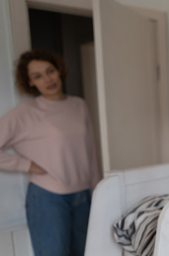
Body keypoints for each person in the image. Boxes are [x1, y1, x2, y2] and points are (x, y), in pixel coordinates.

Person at [0, 49, 102, 256]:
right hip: (48, 198)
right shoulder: (26, 113)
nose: (47, 79)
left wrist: (98, 192)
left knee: (88, 252)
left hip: (83, 196)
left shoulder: (78, 105)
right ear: (30, 83)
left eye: (50, 71)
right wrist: (26, 165)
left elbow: (90, 151)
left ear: (59, 71)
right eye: (37, 76)